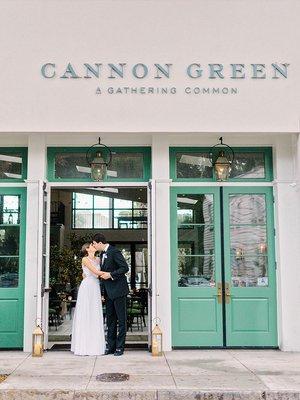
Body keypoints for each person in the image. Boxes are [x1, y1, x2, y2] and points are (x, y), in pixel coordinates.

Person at [93, 233, 129, 356]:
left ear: (99, 243)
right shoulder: (102, 254)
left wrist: (111, 275)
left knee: (122, 320)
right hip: (108, 293)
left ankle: (120, 347)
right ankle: (111, 347)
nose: (93, 246)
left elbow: (125, 268)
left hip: (119, 291)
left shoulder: (114, 252)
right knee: (110, 321)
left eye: (94, 243)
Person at [71, 243, 106, 356]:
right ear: (87, 249)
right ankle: (84, 346)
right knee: (85, 313)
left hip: (95, 287)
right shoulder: (85, 259)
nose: (94, 246)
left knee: (94, 313)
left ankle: (95, 345)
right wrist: (110, 274)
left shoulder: (99, 259)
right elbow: (95, 272)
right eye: (91, 245)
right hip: (87, 287)